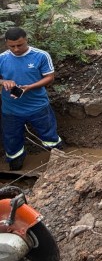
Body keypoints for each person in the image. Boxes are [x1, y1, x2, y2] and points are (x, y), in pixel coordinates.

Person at [0, 27, 63, 171]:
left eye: (20, 45)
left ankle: (60, 162)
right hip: (10, 110)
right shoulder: (2, 58)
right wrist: (4, 82)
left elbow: (49, 77)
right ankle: (16, 165)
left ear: (26, 39)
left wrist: (29, 87)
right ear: (6, 43)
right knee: (12, 139)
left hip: (38, 107)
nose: (16, 49)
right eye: (12, 46)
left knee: (49, 135)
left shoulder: (41, 56)